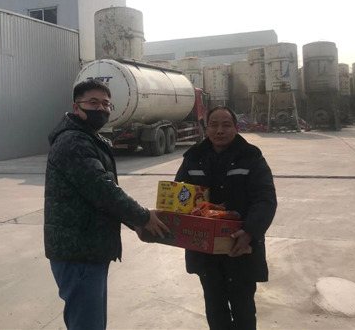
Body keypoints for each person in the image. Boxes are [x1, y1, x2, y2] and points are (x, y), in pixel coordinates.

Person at [44, 79, 169, 330]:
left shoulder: (88, 138)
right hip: (79, 252)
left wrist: (135, 223)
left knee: (91, 322)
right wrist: (143, 217)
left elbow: (100, 196)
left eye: (105, 104)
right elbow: (102, 189)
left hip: (89, 248)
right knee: (87, 324)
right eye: (93, 103)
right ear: (76, 107)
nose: (101, 109)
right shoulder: (73, 141)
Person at [174, 106, 277, 330]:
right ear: (206, 128)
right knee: (215, 308)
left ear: (236, 128)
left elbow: (265, 199)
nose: (219, 130)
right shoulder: (193, 158)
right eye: (214, 125)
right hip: (205, 250)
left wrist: (249, 231)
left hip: (240, 246)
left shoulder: (250, 157)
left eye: (226, 125)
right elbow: (178, 196)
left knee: (244, 309)